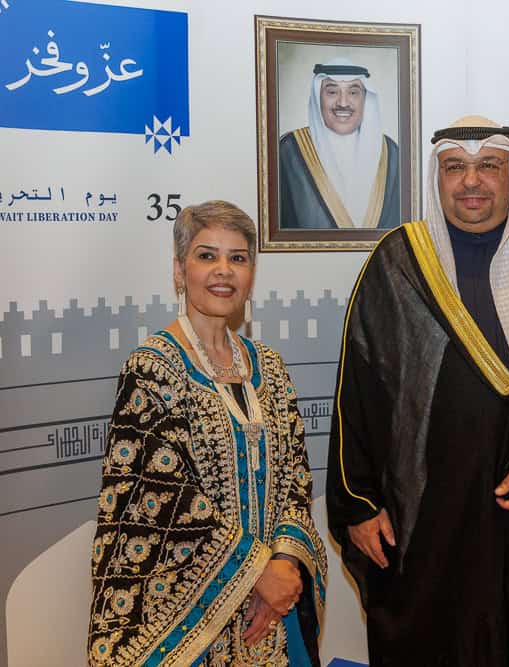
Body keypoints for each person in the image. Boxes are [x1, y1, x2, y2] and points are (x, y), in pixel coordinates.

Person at [326, 116, 509, 666]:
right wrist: (359, 504)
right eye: (454, 167)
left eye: (489, 165)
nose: (471, 181)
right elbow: (359, 392)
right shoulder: (397, 262)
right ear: (436, 178)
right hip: (430, 519)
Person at [88, 201, 327, 666]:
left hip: (270, 616)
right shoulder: (152, 369)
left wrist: (283, 565)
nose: (224, 271)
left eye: (238, 258)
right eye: (206, 256)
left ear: (251, 274)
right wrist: (256, 573)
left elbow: (296, 479)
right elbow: (163, 500)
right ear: (180, 271)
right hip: (184, 620)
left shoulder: (270, 367)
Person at [279, 57, 401, 230]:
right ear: (318, 98)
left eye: (353, 92)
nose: (343, 103)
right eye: (332, 92)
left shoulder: (390, 152)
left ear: (365, 98)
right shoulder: (288, 150)